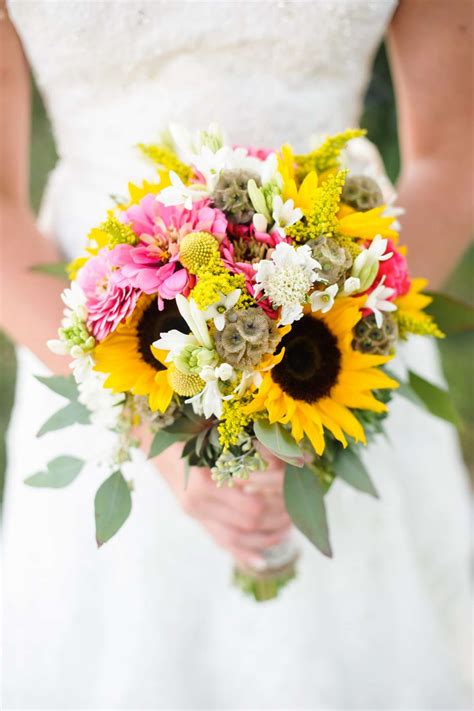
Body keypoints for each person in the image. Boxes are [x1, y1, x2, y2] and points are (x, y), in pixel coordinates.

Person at [1, 1, 472, 708]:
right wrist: (143, 421)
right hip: (96, 341)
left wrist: (339, 344)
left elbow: (453, 154)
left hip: (342, 314)